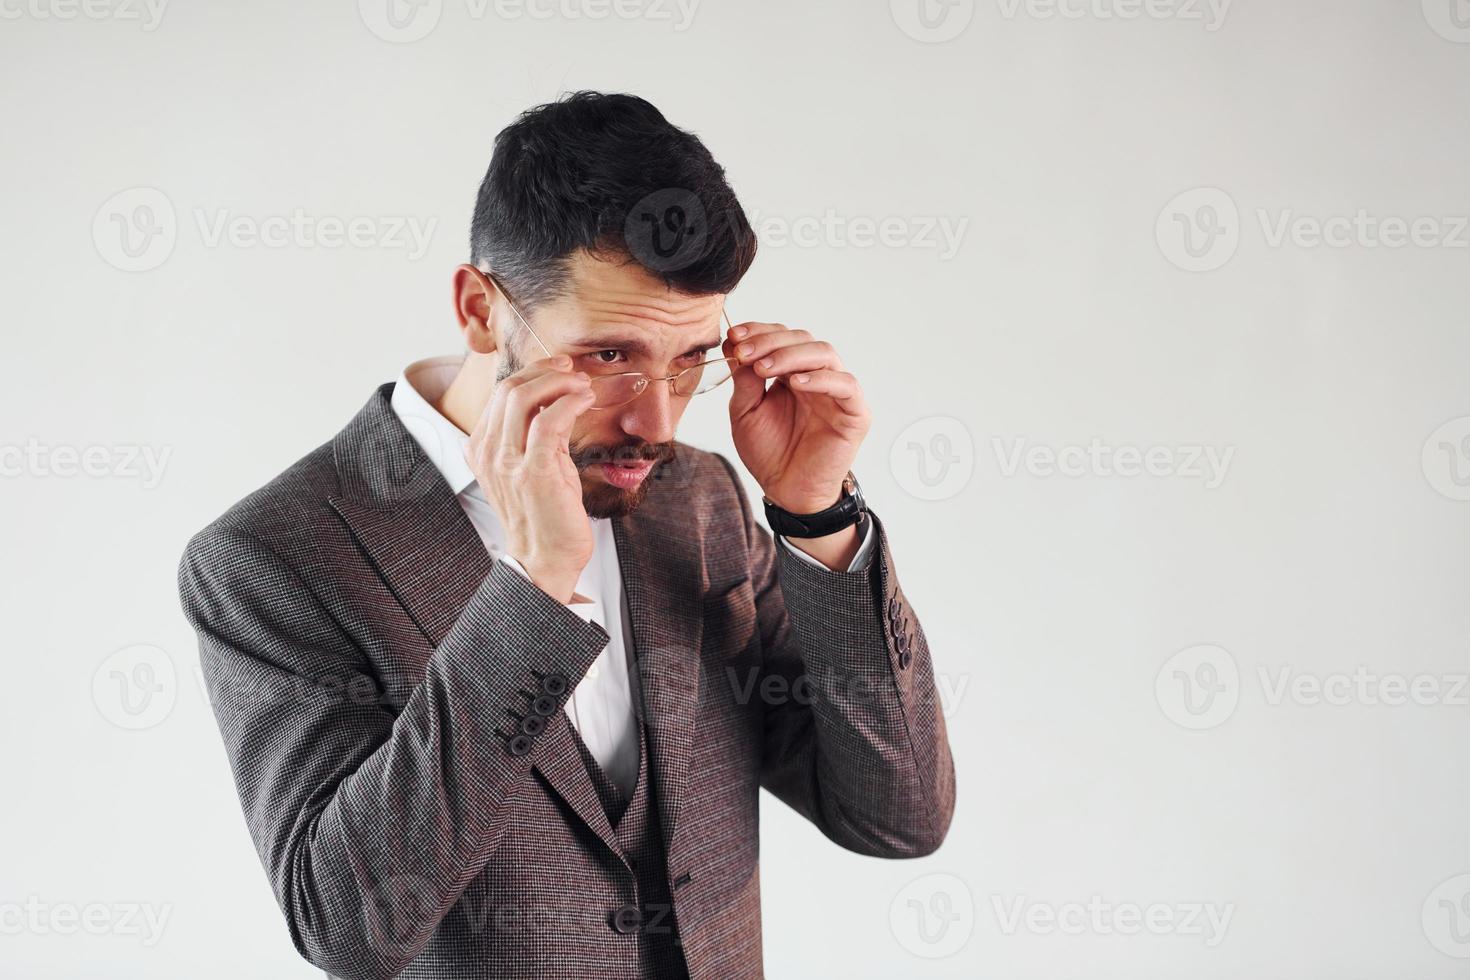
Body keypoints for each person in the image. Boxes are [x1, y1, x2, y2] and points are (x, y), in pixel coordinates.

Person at [177, 90, 955, 980]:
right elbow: (349, 927)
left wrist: (816, 517)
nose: (656, 422)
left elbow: (898, 818)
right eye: (610, 357)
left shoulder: (698, 498)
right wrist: (535, 586)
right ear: (479, 309)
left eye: (691, 359)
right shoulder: (273, 557)